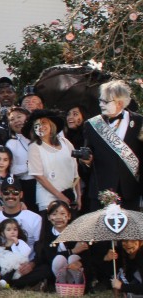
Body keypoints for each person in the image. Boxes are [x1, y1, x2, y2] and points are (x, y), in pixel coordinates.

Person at [83, 80, 143, 212]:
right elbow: (87, 154)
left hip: (130, 191)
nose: (101, 104)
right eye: (100, 100)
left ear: (120, 103)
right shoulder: (91, 125)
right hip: (101, 191)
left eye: (105, 101)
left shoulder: (139, 122)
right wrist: (86, 161)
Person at [27, 109, 80, 211]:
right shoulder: (34, 147)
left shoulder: (65, 142)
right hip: (48, 200)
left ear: (51, 125)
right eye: (36, 125)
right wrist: (60, 196)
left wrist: (78, 196)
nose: (41, 127)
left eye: (43, 123)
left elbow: (76, 173)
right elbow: (38, 176)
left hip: (70, 197)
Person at [38, 201, 87, 289]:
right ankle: (60, 284)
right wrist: (72, 251)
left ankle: (76, 285)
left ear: (69, 216)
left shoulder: (76, 234)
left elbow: (87, 256)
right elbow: (51, 258)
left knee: (73, 258)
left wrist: (79, 262)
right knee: (59, 259)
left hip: (76, 270)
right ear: (49, 217)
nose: (58, 217)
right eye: (54, 214)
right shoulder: (47, 237)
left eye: (62, 213)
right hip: (54, 272)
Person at [0, 179, 42, 248]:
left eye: (15, 192)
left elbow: (39, 247)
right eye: (6, 192)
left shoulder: (35, 218)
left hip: (27, 258)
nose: (10, 195)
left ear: (21, 194)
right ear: (1, 194)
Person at [6, 107, 37, 213]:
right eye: (12, 119)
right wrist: (29, 165)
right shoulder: (11, 143)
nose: (16, 121)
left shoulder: (39, 137)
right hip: (26, 185)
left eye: (19, 117)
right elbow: (11, 170)